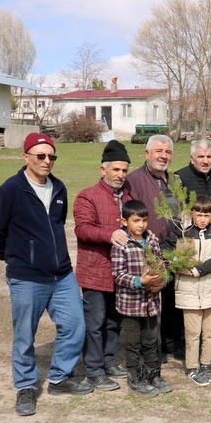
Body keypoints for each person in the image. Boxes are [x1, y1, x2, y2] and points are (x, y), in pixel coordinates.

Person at [0, 133, 92, 416]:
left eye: (51, 156)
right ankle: (26, 386)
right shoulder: (10, 190)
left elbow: (55, 226)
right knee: (24, 334)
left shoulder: (59, 188)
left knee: (75, 325)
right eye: (40, 155)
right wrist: (18, 259)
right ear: (25, 157)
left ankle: (59, 378)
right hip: (27, 278)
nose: (47, 161)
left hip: (62, 275)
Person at [73, 140, 134, 392]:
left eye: (124, 170)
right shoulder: (88, 196)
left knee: (113, 321)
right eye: (115, 170)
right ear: (103, 170)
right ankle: (94, 370)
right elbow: (82, 228)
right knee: (95, 323)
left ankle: (109, 362)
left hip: (120, 273)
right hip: (95, 270)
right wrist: (110, 234)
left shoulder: (128, 197)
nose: (120, 175)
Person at [126, 134, 182, 360]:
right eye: (159, 151)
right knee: (149, 301)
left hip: (174, 248)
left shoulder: (173, 180)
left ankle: (170, 343)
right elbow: (132, 216)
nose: (164, 156)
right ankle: (148, 349)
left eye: (168, 152)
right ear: (147, 153)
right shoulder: (135, 180)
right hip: (149, 250)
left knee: (172, 298)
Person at [111, 200, 170, 397]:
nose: (141, 225)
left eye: (144, 220)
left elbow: (161, 263)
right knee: (133, 343)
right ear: (124, 221)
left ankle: (153, 374)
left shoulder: (152, 240)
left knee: (151, 340)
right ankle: (135, 377)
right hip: (130, 305)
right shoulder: (121, 244)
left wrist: (161, 279)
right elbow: (118, 275)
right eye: (136, 220)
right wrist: (139, 281)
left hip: (151, 304)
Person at [175, 195, 211, 387]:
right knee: (192, 333)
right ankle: (192, 367)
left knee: (209, 333)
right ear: (192, 213)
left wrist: (201, 269)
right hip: (188, 289)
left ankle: (206, 364)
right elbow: (167, 250)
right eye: (198, 214)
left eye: (206, 215)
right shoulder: (182, 230)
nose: (202, 219)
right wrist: (182, 266)